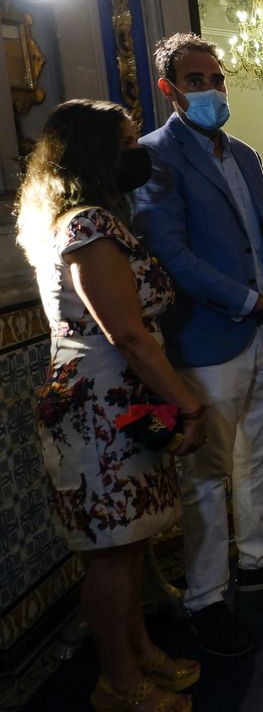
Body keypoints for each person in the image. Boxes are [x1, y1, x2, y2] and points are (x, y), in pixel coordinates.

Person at [131, 33, 263, 658]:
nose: (213, 89)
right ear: (169, 89)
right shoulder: (155, 158)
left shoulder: (242, 153)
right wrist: (254, 303)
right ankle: (207, 596)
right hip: (208, 339)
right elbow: (173, 256)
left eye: (217, 77)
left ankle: (262, 555)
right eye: (197, 81)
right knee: (208, 475)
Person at [17, 100, 203, 711]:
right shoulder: (89, 226)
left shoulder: (88, 220)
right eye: (125, 141)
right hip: (101, 405)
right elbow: (125, 331)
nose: (137, 151)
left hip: (116, 399)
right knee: (110, 553)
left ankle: (141, 651)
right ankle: (119, 684)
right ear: (98, 154)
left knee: (127, 545)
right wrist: (187, 402)